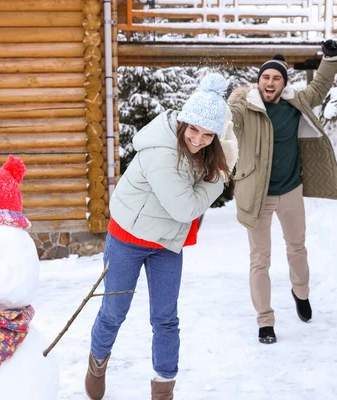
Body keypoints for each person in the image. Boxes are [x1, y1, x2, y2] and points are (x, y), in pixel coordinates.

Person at [85, 73, 238, 400]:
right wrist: (219, 178)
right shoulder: (162, 152)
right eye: (194, 130)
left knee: (166, 318)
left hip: (166, 243)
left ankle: (163, 390)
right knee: (114, 312)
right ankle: (97, 362)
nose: (198, 140)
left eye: (208, 135)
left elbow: (193, 200)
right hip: (127, 239)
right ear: (183, 122)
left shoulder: (205, 150)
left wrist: (218, 163)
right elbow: (186, 208)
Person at [227, 40, 337, 344]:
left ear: (284, 83)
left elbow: (319, 86)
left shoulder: (295, 104)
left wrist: (330, 58)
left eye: (276, 78)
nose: (270, 82)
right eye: (266, 77)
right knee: (259, 260)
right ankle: (265, 321)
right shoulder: (244, 108)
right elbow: (228, 120)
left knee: (297, 248)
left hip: (291, 191)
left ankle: (301, 292)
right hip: (258, 195)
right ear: (259, 81)